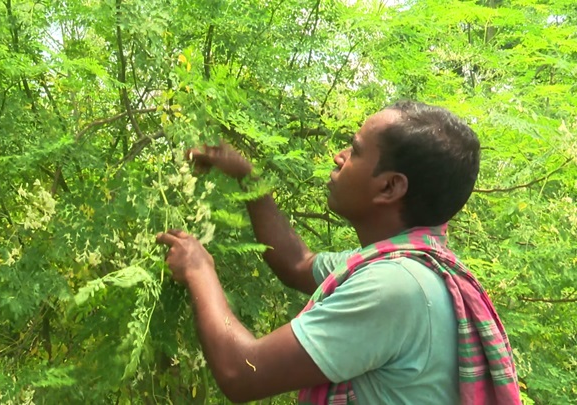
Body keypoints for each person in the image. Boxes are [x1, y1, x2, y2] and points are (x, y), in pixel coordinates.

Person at [155, 101, 521, 404]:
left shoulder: (395, 286)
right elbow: (297, 263)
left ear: (390, 187)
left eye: (356, 150)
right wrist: (247, 177)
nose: (338, 156)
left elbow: (241, 372)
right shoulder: (402, 267)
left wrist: (198, 269)